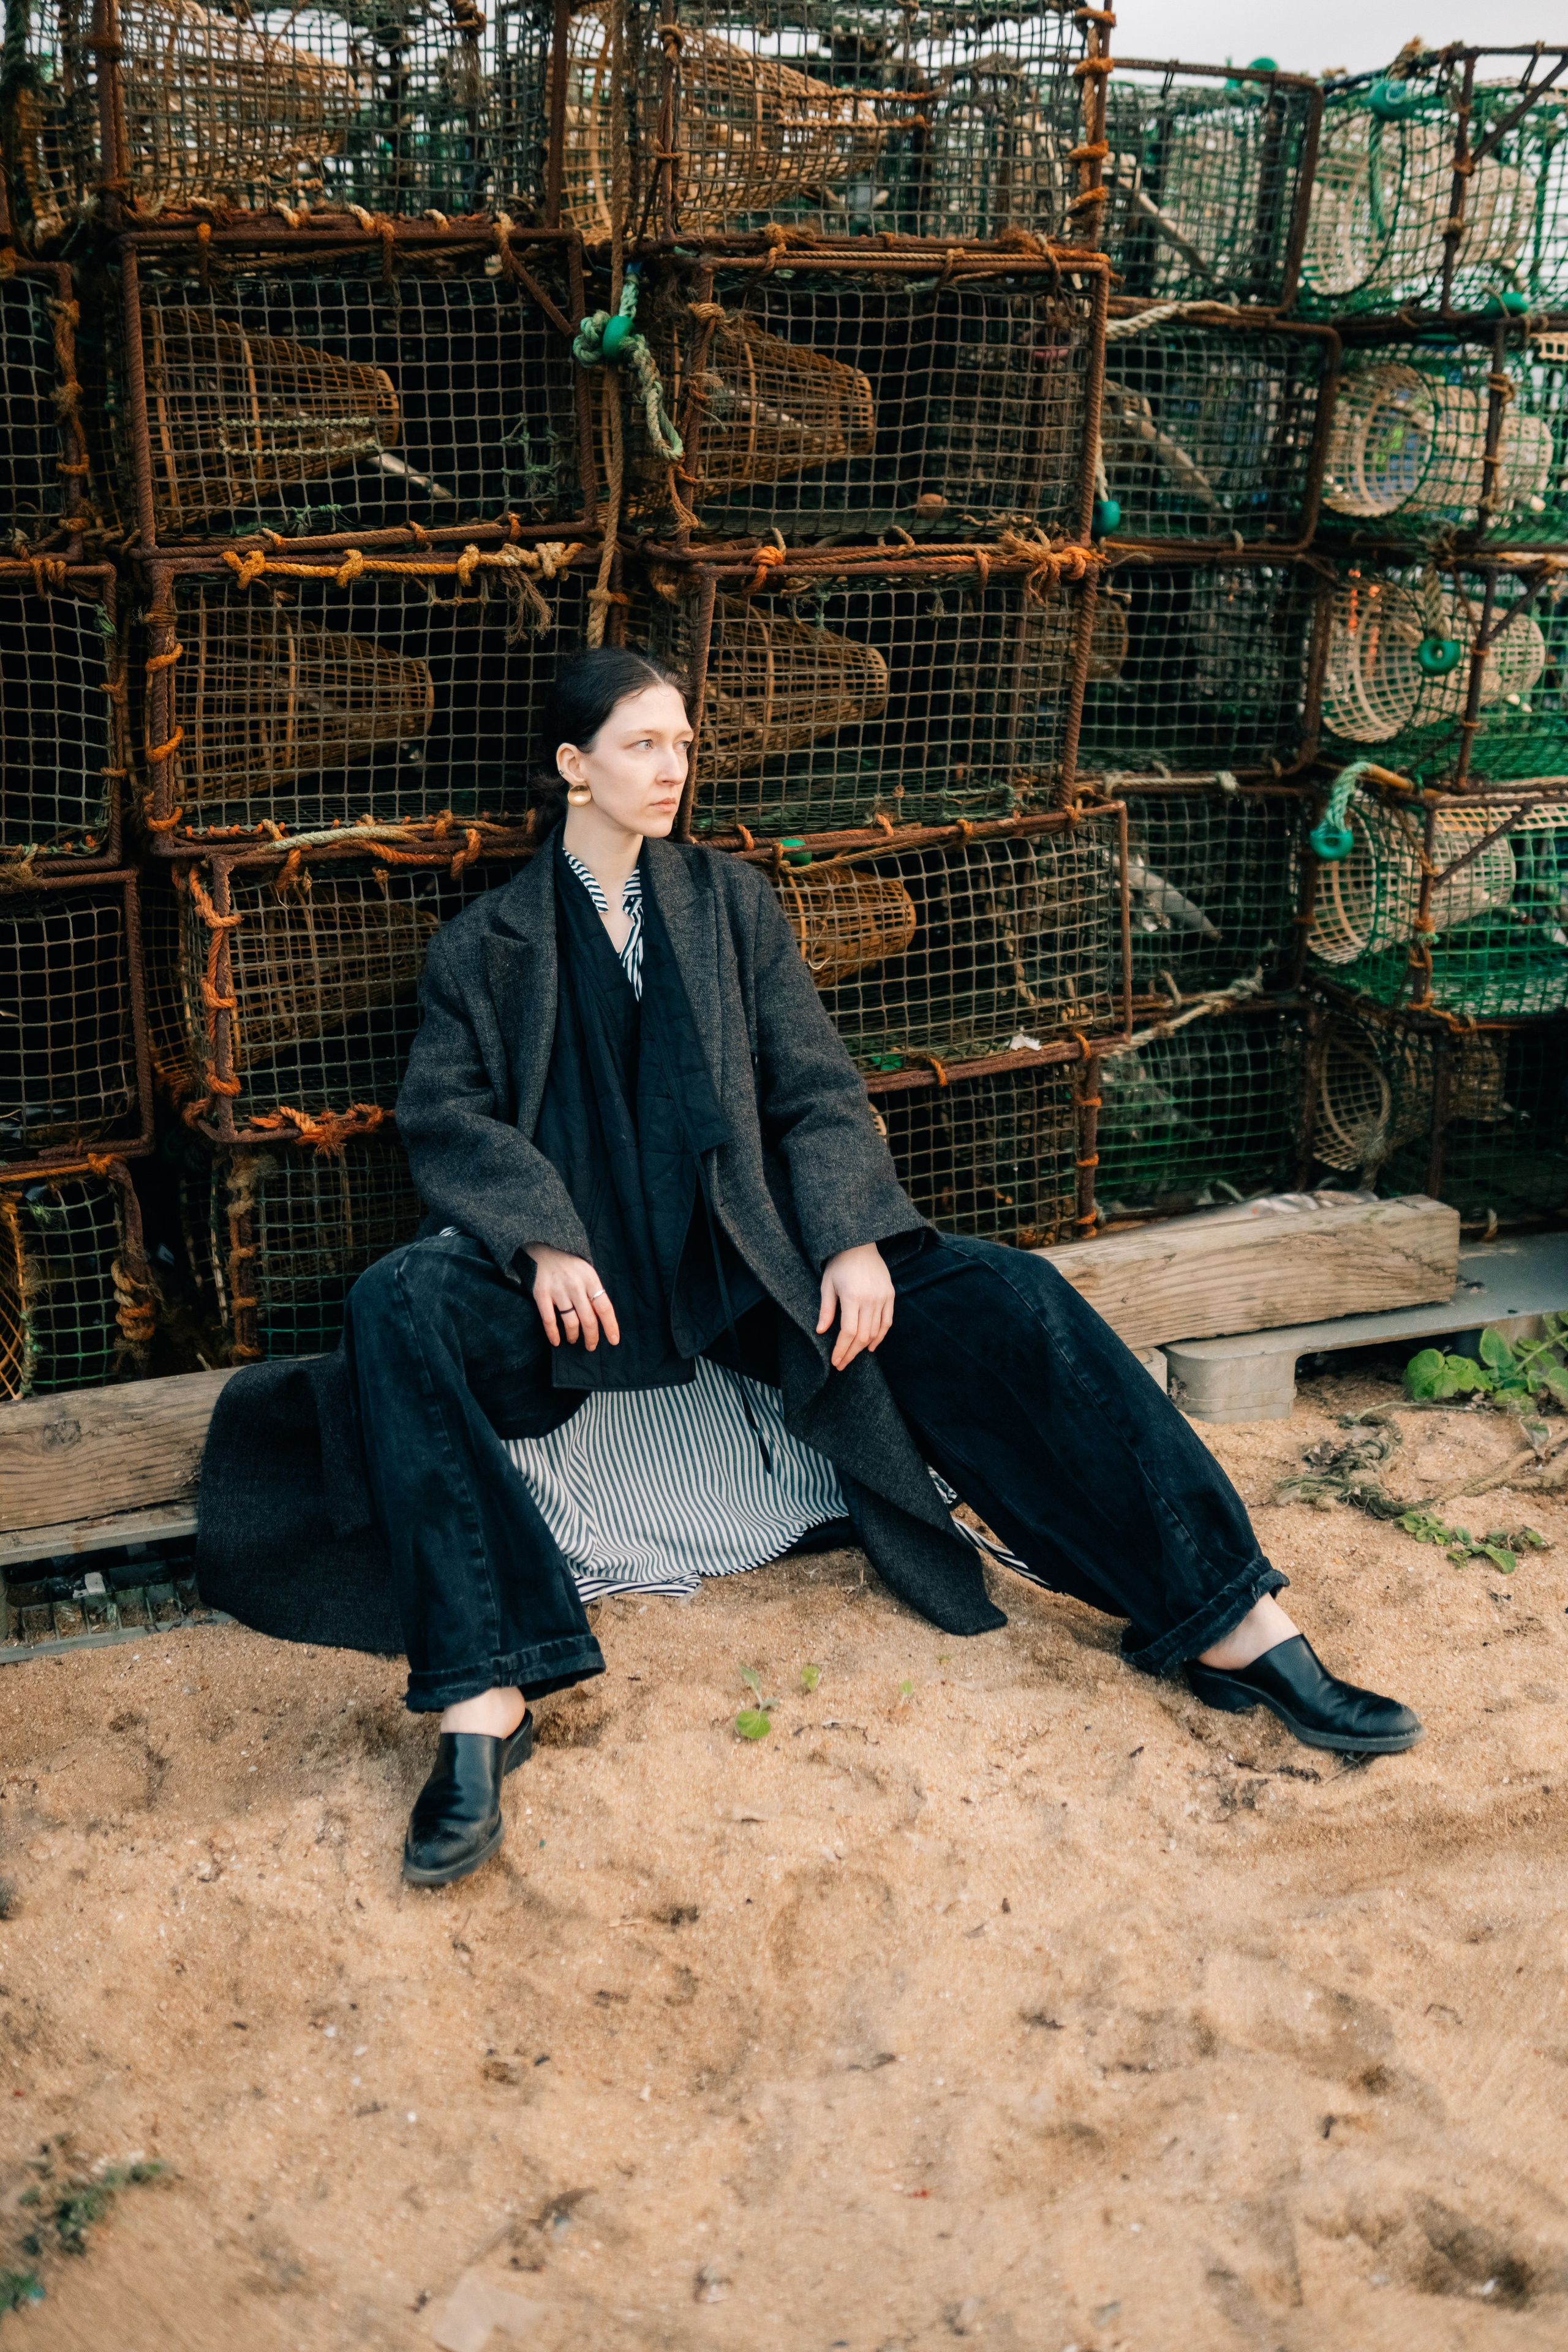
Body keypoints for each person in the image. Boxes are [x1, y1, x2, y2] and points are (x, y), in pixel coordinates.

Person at [197, 647, 1420, 1890]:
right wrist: (541, 1237)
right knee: (394, 1300)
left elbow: (815, 1090)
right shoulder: (484, 946)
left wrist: (845, 1236)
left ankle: (1230, 1622)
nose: (670, 768)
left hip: (745, 1266)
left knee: (1012, 1295)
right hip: (567, 1289)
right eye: (639, 745)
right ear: (572, 767)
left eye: (679, 743)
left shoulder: (727, 905)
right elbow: (449, 1121)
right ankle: (483, 1698)